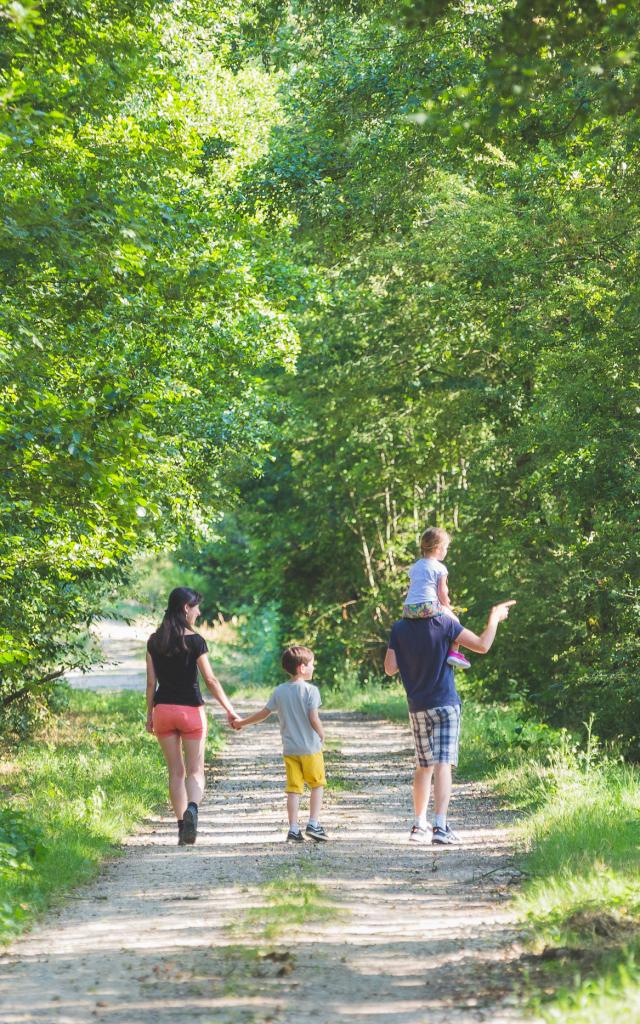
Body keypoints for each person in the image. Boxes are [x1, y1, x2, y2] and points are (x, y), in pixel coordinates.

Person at [385, 596, 515, 845]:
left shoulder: (399, 628)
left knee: (424, 766)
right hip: (445, 703)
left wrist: (413, 654)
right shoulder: (445, 622)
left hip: (417, 707)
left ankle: (418, 825)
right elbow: (482, 645)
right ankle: (441, 827)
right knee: (443, 763)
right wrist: (495, 618)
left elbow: (390, 668)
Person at [146, 587, 238, 846]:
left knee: (175, 772)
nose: (198, 612)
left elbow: (150, 684)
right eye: (196, 607)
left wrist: (149, 716)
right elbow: (210, 679)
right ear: (186, 608)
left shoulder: (154, 641)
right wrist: (230, 710)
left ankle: (180, 828)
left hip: (163, 711)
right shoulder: (196, 641)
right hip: (191, 712)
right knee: (195, 771)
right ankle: (192, 811)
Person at [232, 645, 328, 843]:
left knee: (294, 789)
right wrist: (321, 733)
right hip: (310, 749)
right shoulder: (311, 691)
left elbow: (263, 714)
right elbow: (313, 717)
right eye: (311, 665)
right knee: (317, 785)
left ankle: (293, 829)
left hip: (290, 750)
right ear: (302, 668)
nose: (313, 668)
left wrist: (241, 722)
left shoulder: (280, 691)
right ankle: (313, 823)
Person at [402, 526, 470, 670]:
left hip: (408, 608)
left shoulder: (414, 567)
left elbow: (417, 589)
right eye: (446, 548)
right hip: (427, 606)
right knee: (455, 621)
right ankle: (454, 653)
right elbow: (442, 593)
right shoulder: (440, 568)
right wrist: (448, 607)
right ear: (438, 548)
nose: (446, 551)